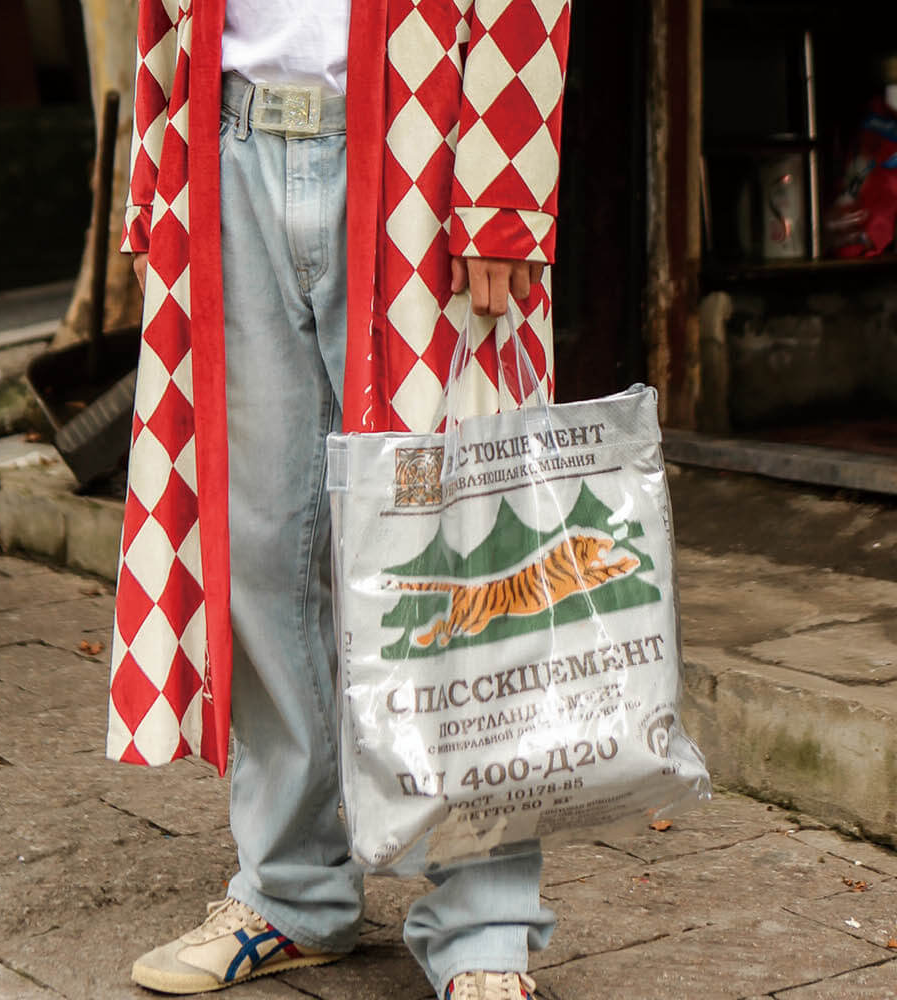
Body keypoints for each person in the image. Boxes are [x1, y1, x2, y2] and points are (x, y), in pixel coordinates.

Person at [108, 0, 571, 996]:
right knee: (264, 543)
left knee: (459, 543)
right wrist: (156, 174)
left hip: (421, 150)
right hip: (223, 143)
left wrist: (502, 191)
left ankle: (483, 918)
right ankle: (291, 892)